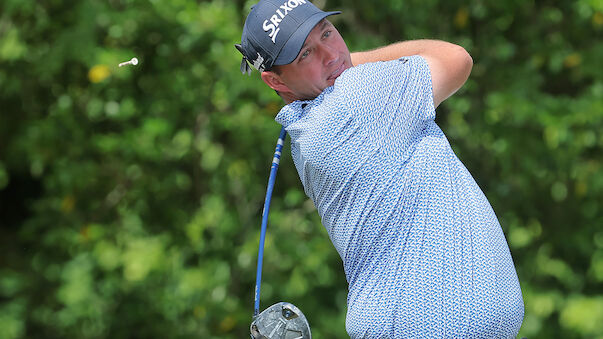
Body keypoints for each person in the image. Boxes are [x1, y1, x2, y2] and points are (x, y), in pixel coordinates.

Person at [236, 0, 525, 337]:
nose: (330, 55)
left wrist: (336, 67)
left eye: (327, 34)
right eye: (304, 55)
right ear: (275, 81)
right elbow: (455, 59)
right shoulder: (358, 99)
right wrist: (351, 63)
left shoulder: (307, 127)